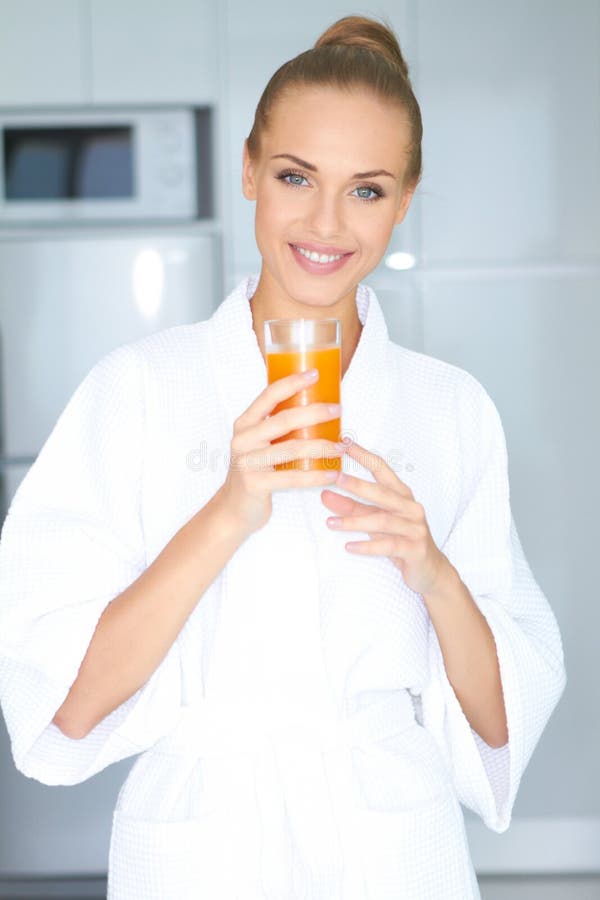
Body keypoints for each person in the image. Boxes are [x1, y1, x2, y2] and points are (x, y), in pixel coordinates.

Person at [0, 14, 566, 900]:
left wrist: (435, 572)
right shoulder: (139, 389)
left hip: (393, 850)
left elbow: (500, 727)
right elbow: (61, 708)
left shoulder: (451, 408)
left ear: (406, 200)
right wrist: (228, 510)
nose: (326, 224)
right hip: (201, 852)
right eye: (296, 177)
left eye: (368, 190)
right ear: (250, 170)